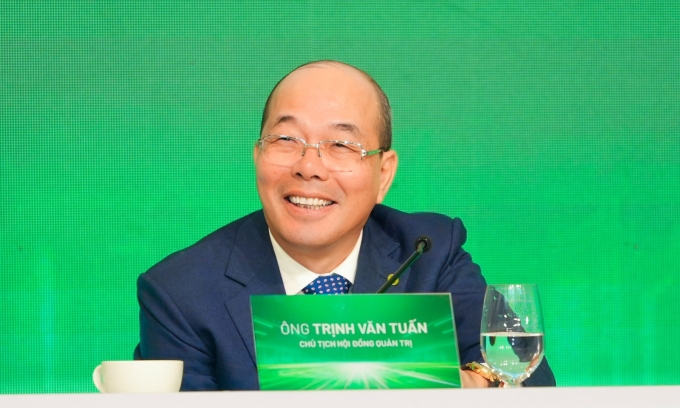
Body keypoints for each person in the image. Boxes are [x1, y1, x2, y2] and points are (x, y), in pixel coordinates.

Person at [134, 60, 556, 389]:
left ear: (384, 174)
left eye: (340, 145)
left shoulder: (429, 252)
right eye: (286, 140)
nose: (309, 167)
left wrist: (464, 385)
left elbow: (528, 377)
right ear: (257, 155)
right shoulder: (182, 292)